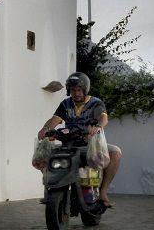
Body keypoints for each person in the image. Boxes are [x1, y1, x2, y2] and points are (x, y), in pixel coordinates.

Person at [34, 72, 123, 208]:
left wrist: (98, 127)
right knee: (43, 156)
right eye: (73, 90)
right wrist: (45, 129)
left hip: (89, 145)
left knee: (116, 152)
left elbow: (103, 118)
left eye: (79, 90)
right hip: (68, 145)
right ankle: (50, 188)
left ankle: (103, 192)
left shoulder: (95, 103)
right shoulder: (65, 104)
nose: (76, 93)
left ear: (85, 89)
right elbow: (55, 120)